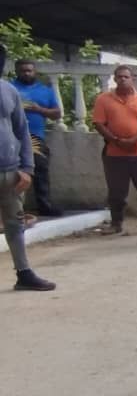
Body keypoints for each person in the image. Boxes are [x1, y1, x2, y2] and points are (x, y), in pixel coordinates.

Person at [0, 47, 55, 291]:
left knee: (15, 223)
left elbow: (22, 131)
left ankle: (23, 273)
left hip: (11, 171)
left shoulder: (8, 90)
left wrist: (27, 168)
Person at [91, 65, 137, 235]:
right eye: (119, 76)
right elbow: (98, 123)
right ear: (114, 79)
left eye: (126, 76)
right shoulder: (103, 99)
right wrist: (116, 140)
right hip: (114, 154)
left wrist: (134, 139)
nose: (123, 79)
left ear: (133, 79)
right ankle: (116, 224)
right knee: (116, 192)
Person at [10, 59, 63, 217]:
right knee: (11, 172)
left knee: (40, 170)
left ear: (35, 72)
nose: (26, 73)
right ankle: (13, 209)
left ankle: (44, 206)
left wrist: (39, 109)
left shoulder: (45, 91)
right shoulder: (9, 88)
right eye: (23, 71)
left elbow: (57, 114)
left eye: (29, 70)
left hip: (35, 137)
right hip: (11, 137)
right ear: (17, 72)